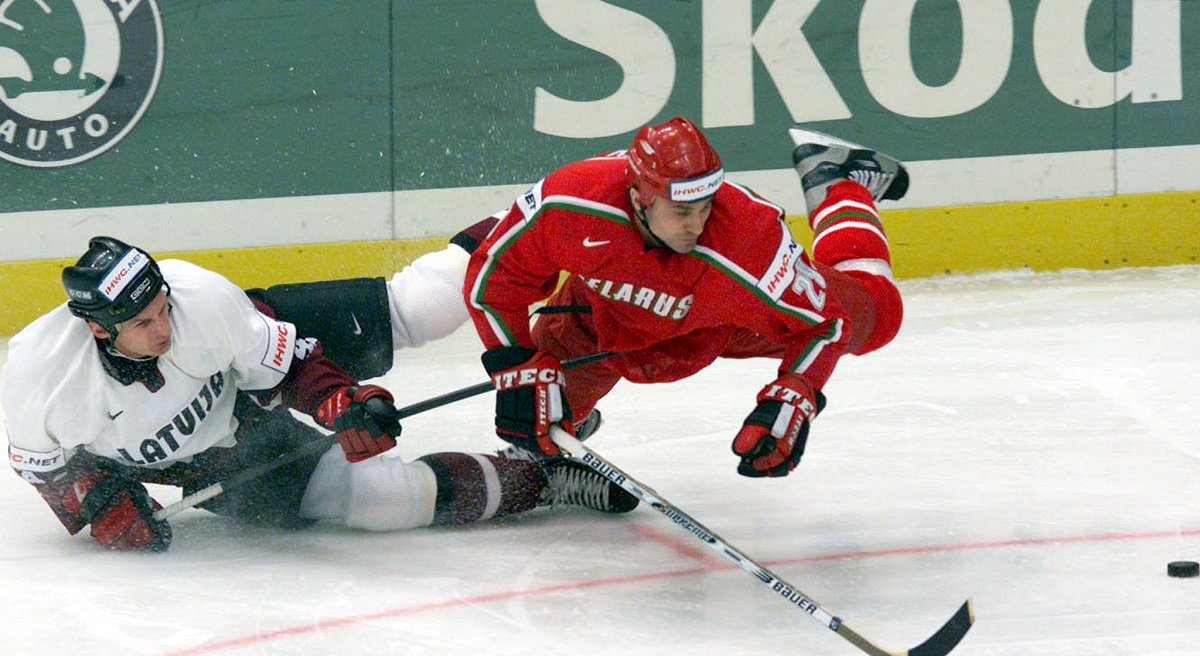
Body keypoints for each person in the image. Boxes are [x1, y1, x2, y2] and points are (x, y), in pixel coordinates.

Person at [0, 237, 636, 552]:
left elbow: (290, 365)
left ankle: (540, 222)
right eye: (141, 325)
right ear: (96, 328)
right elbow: (49, 475)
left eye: (163, 309)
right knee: (386, 499)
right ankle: (547, 481)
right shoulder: (39, 377)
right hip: (214, 459)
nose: (164, 331)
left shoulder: (203, 302)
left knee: (423, 305)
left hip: (251, 360)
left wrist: (341, 402)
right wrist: (102, 504)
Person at [462, 117, 909, 477]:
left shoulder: (750, 242)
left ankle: (840, 182)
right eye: (680, 211)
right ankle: (576, 420)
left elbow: (825, 324)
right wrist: (516, 364)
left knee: (881, 316)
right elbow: (494, 279)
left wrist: (796, 390)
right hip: (600, 318)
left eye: (705, 206)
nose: (696, 226)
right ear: (639, 197)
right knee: (539, 436)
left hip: (726, 320)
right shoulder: (572, 203)